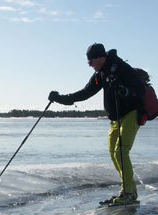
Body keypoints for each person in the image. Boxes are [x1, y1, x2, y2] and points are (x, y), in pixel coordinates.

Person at [49, 43, 146, 206]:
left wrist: (123, 89)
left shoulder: (121, 68)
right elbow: (85, 93)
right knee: (114, 154)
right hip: (115, 118)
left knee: (121, 152)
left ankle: (129, 193)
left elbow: (139, 91)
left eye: (91, 60)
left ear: (101, 57)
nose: (89, 64)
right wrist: (60, 98)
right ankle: (127, 191)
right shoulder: (100, 73)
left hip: (131, 113)